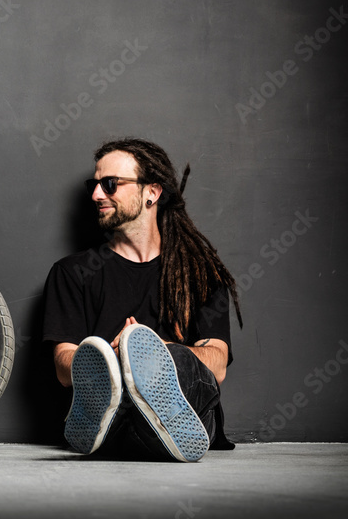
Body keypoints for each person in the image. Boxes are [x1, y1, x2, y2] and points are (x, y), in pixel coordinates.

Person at [42, 138, 243, 461]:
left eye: (110, 185)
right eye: (94, 185)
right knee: (109, 380)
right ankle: (119, 413)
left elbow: (217, 365)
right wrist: (112, 357)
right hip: (112, 414)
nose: (96, 195)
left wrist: (154, 353)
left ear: (152, 192)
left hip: (187, 414)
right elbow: (64, 369)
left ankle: (157, 423)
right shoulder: (72, 272)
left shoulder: (200, 272)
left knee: (176, 362)